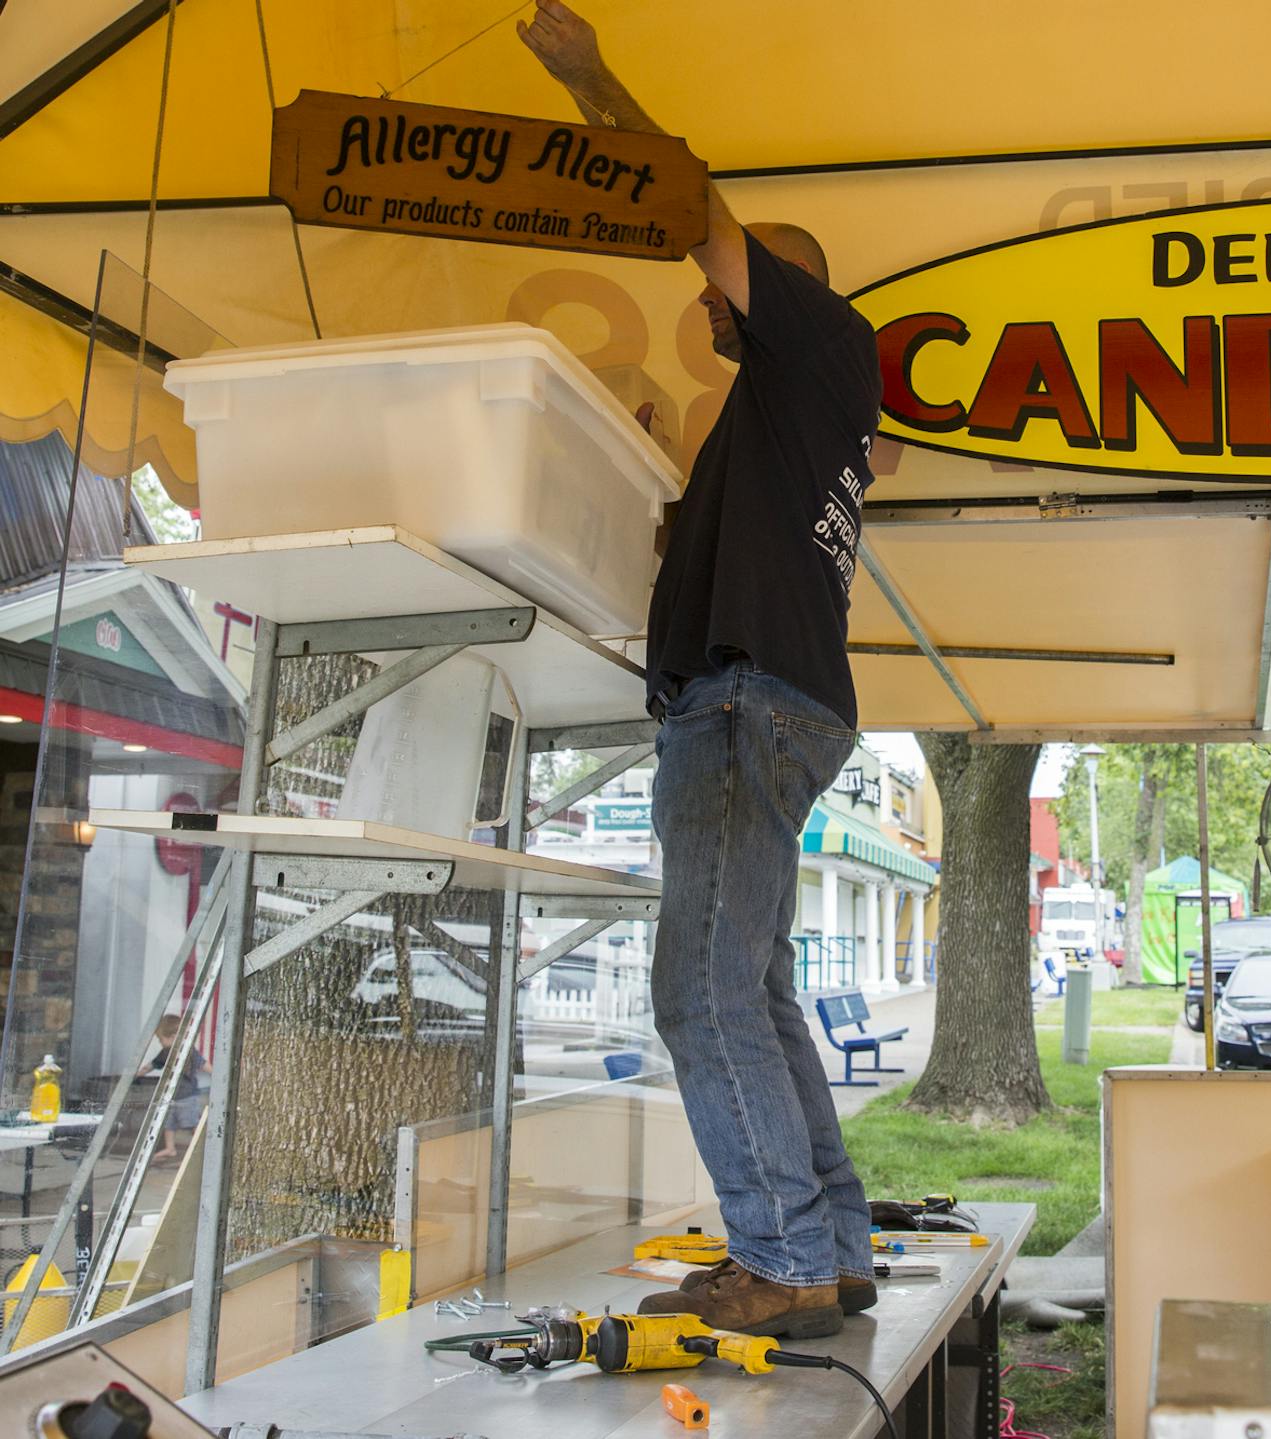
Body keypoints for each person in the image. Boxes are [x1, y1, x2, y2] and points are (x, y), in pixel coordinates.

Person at [520, 1, 880, 1341]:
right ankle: (828, 1246)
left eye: (741, 281)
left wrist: (590, 76)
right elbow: (870, 464)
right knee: (758, 987)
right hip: (768, 703)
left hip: (746, 704)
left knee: (700, 989)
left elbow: (693, 212)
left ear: (791, 291)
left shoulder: (820, 344)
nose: (710, 295)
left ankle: (780, 1254)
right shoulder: (797, 412)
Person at [141, 1013, 205, 1164]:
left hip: (187, 1096)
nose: (160, 1042)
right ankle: (170, 1148)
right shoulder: (165, 1053)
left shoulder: (188, 1051)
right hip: (172, 1097)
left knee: (191, 1122)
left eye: (161, 1039)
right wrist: (139, 1072)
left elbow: (203, 1064)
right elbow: (153, 1064)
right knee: (169, 1123)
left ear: (174, 1036)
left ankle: (201, 1146)